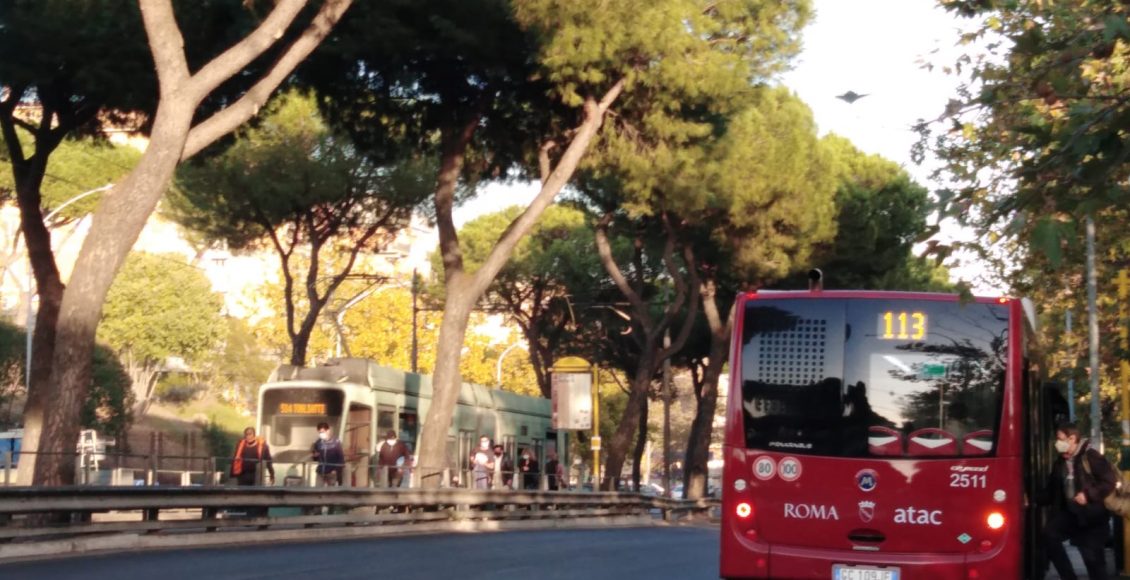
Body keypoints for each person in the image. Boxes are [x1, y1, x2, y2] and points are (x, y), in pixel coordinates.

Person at [1042, 422, 1117, 580]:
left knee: (1093, 562)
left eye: (1059, 438)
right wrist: (1032, 499)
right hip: (1071, 514)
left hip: (1092, 518)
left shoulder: (1090, 456)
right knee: (1050, 534)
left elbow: (1109, 481)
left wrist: (1088, 495)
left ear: (1072, 438)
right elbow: (1051, 491)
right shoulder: (1060, 463)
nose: (1057, 443)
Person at [311, 422, 345, 486]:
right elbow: (315, 457)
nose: (321, 434)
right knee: (317, 490)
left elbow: (341, 458)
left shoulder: (336, 442)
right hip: (320, 471)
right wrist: (314, 456)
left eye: (322, 432)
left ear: (328, 431)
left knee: (331, 492)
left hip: (331, 472)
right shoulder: (318, 443)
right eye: (319, 432)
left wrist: (336, 470)